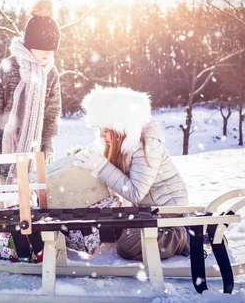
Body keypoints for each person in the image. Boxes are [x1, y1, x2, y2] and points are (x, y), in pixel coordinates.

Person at [0, 0, 62, 263]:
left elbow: (52, 112)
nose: (47, 54)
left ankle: (36, 246)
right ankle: (16, 247)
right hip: (7, 145)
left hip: (34, 146)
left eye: (52, 49)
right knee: (8, 196)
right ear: (28, 43)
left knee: (31, 197)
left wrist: (47, 145)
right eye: (42, 48)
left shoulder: (51, 72)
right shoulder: (10, 66)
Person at [70, 85, 190, 260]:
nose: (102, 136)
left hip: (166, 209)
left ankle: (182, 235)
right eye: (99, 129)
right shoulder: (121, 142)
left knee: (128, 245)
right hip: (143, 210)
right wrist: (84, 157)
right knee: (100, 228)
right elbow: (108, 168)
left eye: (106, 130)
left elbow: (136, 192)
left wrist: (99, 165)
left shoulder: (146, 144)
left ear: (120, 129)